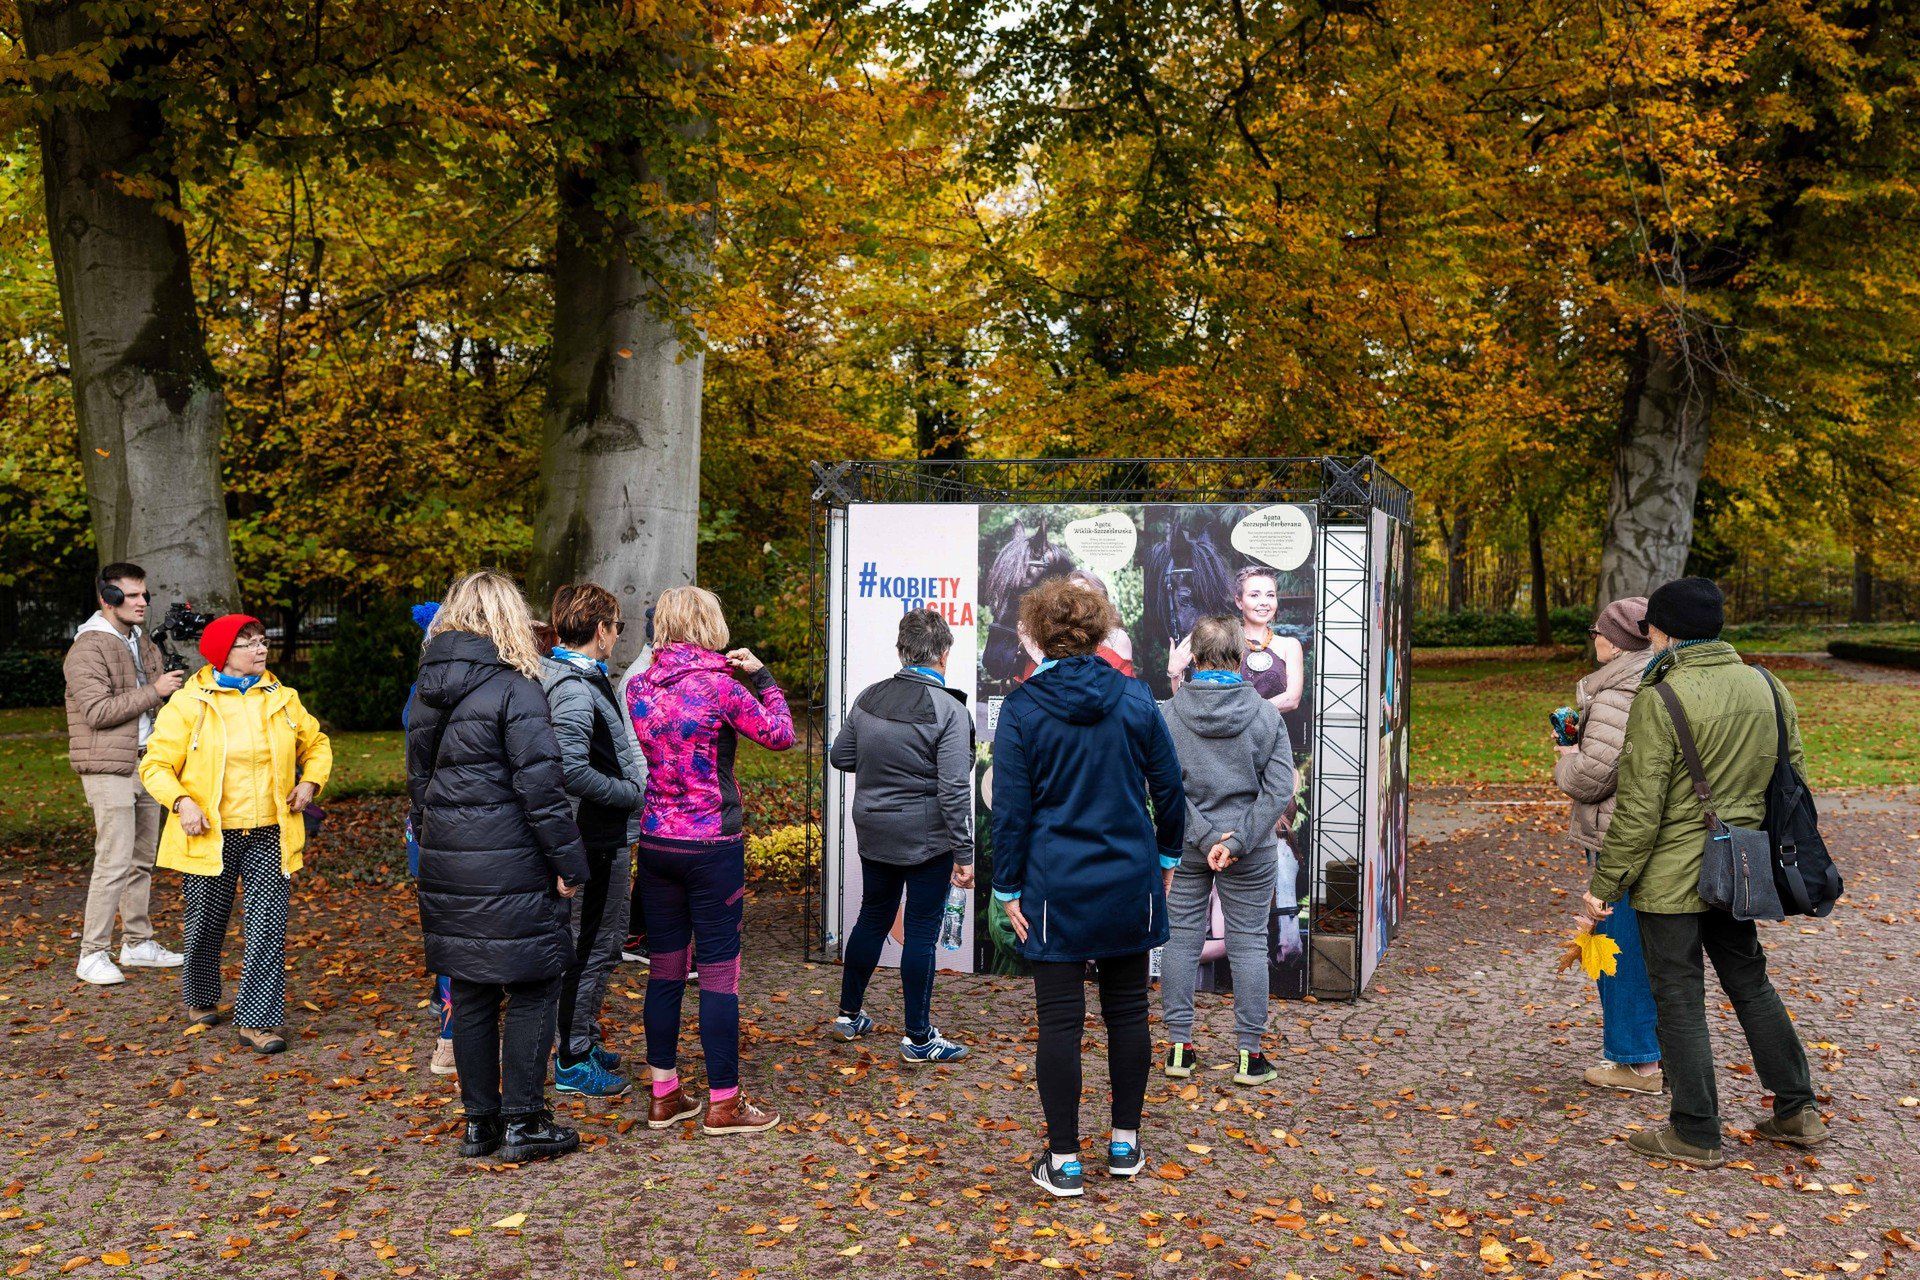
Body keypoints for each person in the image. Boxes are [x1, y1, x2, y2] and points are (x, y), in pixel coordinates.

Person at [1584, 577, 1824, 1169]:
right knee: (1750, 982)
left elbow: (1640, 811)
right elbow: (1789, 777)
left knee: (1679, 995)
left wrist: (1603, 887)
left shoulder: (1660, 696)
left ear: (1662, 631)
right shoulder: (1768, 685)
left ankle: (1695, 1130)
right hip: (1741, 864)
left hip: (1672, 877)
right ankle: (1796, 1108)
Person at [990, 576, 1185, 1197]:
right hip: (1128, 876)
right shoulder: (1135, 699)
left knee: (1061, 1023)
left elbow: (1011, 812)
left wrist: (1006, 888)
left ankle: (1065, 1159)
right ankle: (1125, 1144)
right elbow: (1170, 789)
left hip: (1055, 888)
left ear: (1037, 633)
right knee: (1128, 1013)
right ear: (1098, 629)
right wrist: (1166, 854)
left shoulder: (1022, 708)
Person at [407, 571, 590, 1163]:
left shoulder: (428, 691)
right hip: (512, 858)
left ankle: (479, 1124)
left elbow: (419, 785)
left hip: (450, 858)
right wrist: (568, 861)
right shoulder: (517, 691)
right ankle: (523, 1121)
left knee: (474, 988)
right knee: (536, 983)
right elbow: (543, 789)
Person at [626, 586, 795, 1136]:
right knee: (720, 975)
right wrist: (763, 677)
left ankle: (664, 1094)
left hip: (656, 843)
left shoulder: (638, 687)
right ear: (711, 624)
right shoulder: (722, 688)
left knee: (665, 972)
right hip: (711, 846)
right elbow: (782, 735)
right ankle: (724, 1102)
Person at [139, 615, 332, 1054]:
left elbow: (316, 743)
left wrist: (311, 782)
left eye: (263, 641)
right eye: (248, 644)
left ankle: (258, 1021)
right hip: (211, 833)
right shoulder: (190, 704)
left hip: (270, 831)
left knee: (267, 927)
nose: (260, 650)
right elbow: (154, 764)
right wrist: (182, 802)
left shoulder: (283, 699)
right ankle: (201, 996)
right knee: (206, 925)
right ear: (223, 652)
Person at [828, 607, 974, 1063]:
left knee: (872, 917)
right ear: (945, 654)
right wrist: (965, 852)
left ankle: (849, 1015)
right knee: (922, 933)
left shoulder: (869, 698)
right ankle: (918, 1037)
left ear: (901, 650)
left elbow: (840, 755)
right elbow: (954, 787)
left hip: (873, 829)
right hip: (928, 839)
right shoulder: (949, 709)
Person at [1157, 615, 1294, 1089]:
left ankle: (1179, 1047)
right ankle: (1249, 1057)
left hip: (1187, 845)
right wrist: (1234, 841)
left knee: (1180, 940)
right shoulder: (1265, 715)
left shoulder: (1169, 714)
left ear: (1193, 659)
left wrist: (1204, 837)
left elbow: (1164, 788)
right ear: (1240, 659)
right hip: (1251, 848)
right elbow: (1278, 791)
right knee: (1249, 942)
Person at [539, 583, 647, 1098]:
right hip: (594, 837)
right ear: (600, 629)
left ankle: (580, 1036)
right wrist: (628, 792)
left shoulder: (582, 679)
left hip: (603, 835)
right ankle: (572, 1057)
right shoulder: (573, 688)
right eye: (617, 626)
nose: (618, 636)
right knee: (590, 946)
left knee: (603, 942)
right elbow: (571, 768)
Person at [1552, 597, 1662, 1095]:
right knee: (1644, 947)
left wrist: (1566, 753)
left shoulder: (1621, 692)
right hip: (1647, 837)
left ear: (1615, 641)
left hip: (1618, 838)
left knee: (1616, 948)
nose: (1592, 639)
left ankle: (1636, 1061)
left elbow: (1592, 779)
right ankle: (1651, 1051)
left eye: (1597, 631)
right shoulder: (1653, 676)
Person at [64, 562, 186, 986]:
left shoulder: (139, 642)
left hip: (146, 762)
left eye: (143, 594)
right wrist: (155, 691)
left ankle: (137, 943)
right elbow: (97, 712)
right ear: (107, 598)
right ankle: (91, 953)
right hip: (107, 765)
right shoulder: (87, 648)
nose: (142, 603)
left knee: (140, 861)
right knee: (113, 861)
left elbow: (158, 701)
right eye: (131, 596)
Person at [402, 601, 457, 1077]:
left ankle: (456, 1030)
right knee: (451, 928)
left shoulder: (428, 687)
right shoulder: (430, 693)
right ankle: (451, 1034)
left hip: (441, 825)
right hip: (444, 826)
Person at [1167, 566, 1304, 715]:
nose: (1264, 602)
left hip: (1276, 733)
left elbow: (1292, 699)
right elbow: (1192, 704)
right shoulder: (1221, 642)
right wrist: (1175, 672)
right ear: (1239, 601)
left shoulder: (1290, 645)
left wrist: (1241, 712)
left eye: (1270, 595)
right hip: (1232, 735)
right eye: (1254, 595)